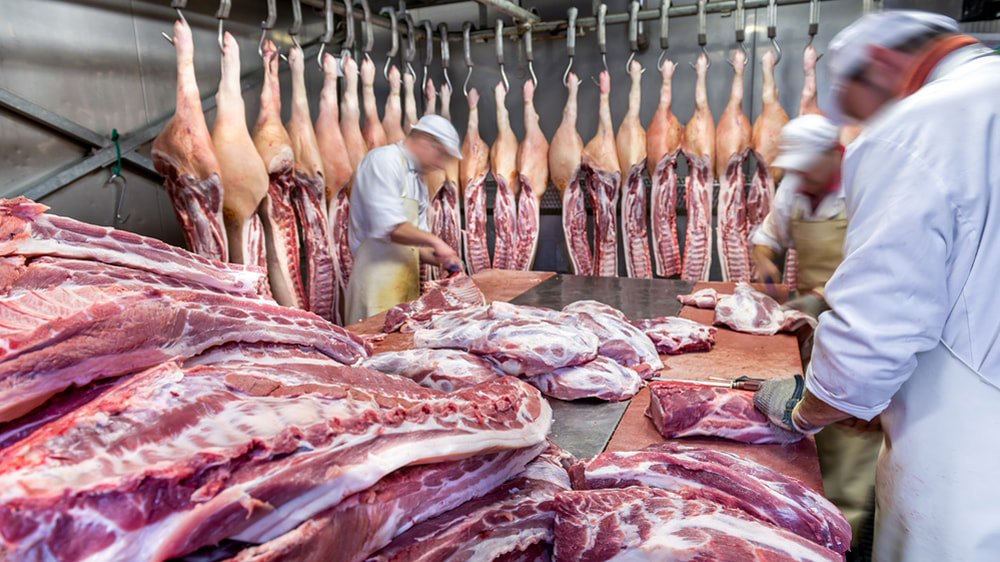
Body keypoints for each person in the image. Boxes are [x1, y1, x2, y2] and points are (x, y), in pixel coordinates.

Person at [753, 10, 1000, 560]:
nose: (870, 123)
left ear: (883, 64)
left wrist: (806, 411)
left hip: (966, 456)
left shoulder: (920, 126)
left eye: (866, 110)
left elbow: (879, 323)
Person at [752, 114, 881, 554]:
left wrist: (825, 297)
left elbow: (880, 271)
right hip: (811, 329)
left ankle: (840, 544)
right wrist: (765, 260)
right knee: (805, 447)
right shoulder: (795, 186)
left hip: (860, 333)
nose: (800, 179)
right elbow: (768, 236)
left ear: (832, 156)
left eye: (807, 169)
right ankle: (802, 527)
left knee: (849, 450)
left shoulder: (866, 189)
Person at [344, 115, 462, 325]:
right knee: (372, 345)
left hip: (405, 292)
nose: (441, 164)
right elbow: (389, 226)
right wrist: (435, 241)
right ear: (426, 141)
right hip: (373, 290)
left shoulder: (418, 181)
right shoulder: (383, 160)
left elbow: (416, 246)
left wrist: (441, 259)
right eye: (441, 155)